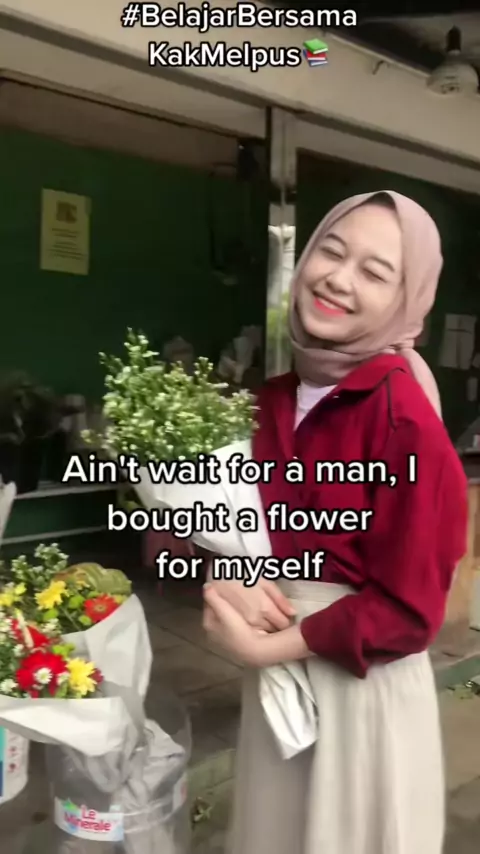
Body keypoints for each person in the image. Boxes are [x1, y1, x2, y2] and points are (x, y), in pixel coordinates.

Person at [202, 191, 468, 854]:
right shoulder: (271, 401)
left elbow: (409, 611)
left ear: (408, 301)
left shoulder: (404, 420)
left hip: (359, 694)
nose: (338, 280)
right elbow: (248, 533)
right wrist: (228, 579)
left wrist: (267, 648)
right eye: (331, 251)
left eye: (375, 273)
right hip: (277, 693)